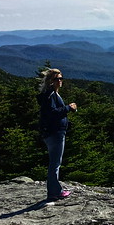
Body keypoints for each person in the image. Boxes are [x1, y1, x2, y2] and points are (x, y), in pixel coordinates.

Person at [37, 68, 77, 201]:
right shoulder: (50, 95)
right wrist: (68, 108)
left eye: (61, 78)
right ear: (50, 81)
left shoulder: (50, 94)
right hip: (55, 133)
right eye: (57, 79)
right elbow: (53, 113)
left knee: (54, 162)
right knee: (55, 163)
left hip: (52, 132)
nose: (60, 81)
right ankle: (55, 192)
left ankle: (54, 191)